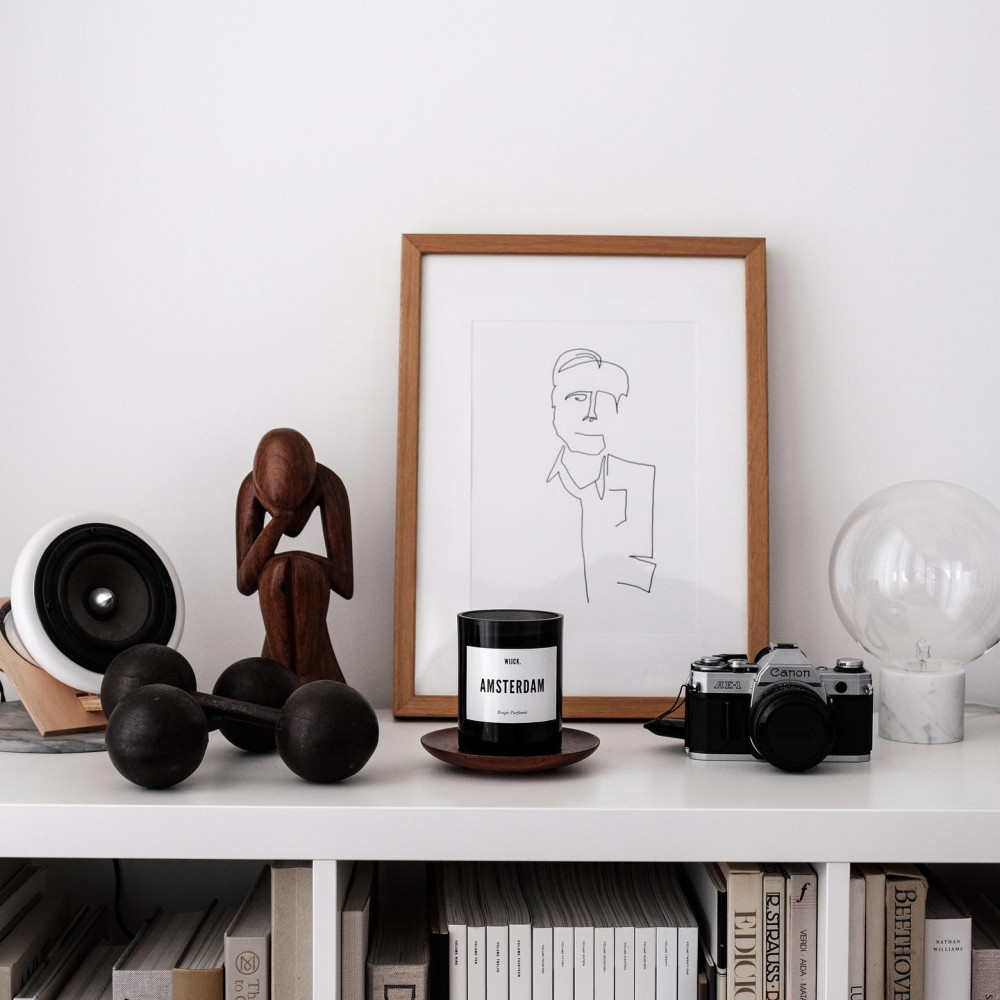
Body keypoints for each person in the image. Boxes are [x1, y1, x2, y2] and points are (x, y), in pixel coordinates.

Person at [236, 428, 353, 684]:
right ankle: (282, 682)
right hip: (274, 585)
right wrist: (279, 520)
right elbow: (245, 582)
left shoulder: (328, 484)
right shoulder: (250, 488)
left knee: (298, 571)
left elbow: (345, 584)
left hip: (310, 586)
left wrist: (296, 558)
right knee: (277, 572)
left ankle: (303, 678)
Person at [546, 348, 656, 602]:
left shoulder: (640, 480)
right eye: (578, 398)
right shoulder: (527, 485)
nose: (591, 413)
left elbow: (646, 584)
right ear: (555, 405)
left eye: (605, 400)